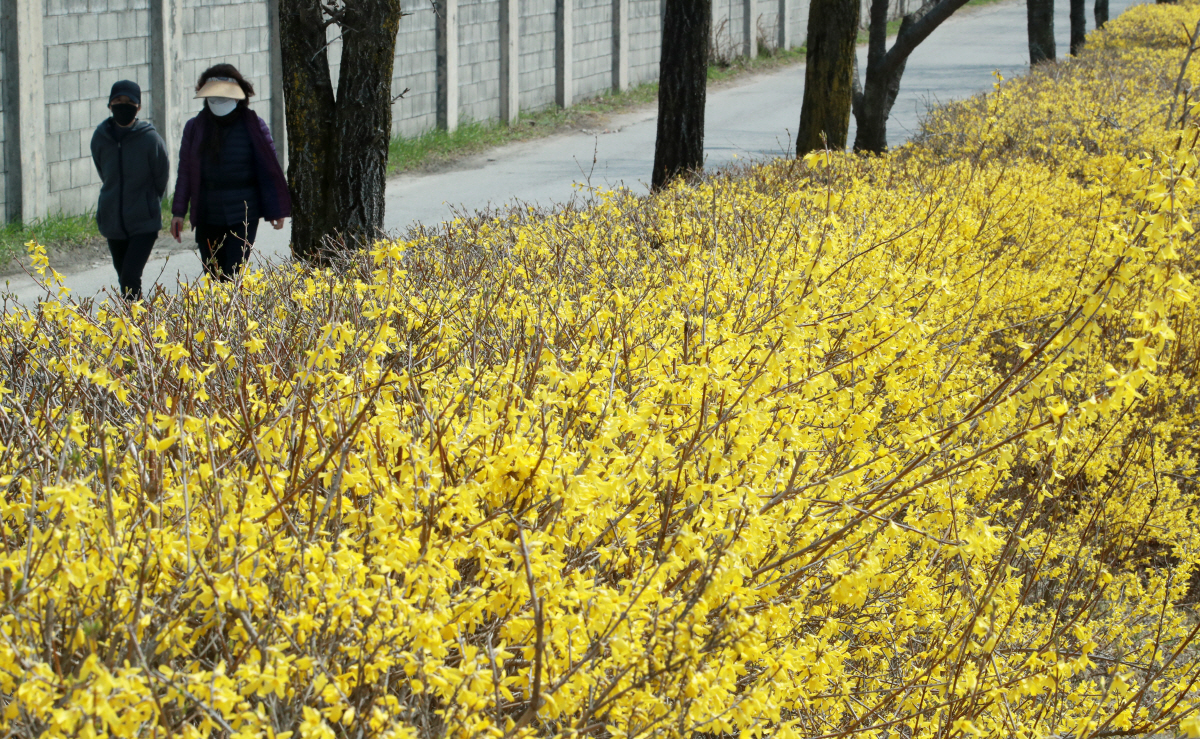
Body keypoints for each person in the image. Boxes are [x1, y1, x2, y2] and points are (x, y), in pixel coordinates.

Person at [170, 64, 290, 281]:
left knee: (233, 273)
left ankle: (235, 314)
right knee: (213, 274)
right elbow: (186, 171)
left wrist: (277, 210)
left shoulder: (253, 125)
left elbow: (269, 168)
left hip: (243, 212)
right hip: (208, 211)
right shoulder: (195, 127)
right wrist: (178, 211)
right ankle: (217, 315)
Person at [90, 80, 170, 300]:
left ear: (139, 107)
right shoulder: (100, 137)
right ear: (109, 105)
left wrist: (147, 202)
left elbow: (160, 175)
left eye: (129, 102)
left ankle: (137, 326)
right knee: (124, 280)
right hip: (112, 223)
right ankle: (138, 324)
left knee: (130, 277)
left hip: (144, 223)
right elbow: (103, 170)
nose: (123, 106)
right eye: (118, 101)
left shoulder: (149, 139)